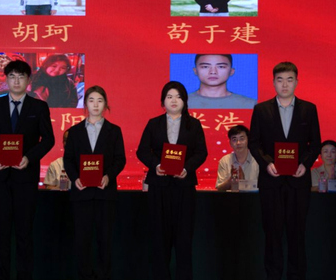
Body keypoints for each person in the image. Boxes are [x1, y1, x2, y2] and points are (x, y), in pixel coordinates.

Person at [0, 60, 56, 280]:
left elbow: (48, 139)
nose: (16, 81)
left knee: (24, 234)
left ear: (28, 80)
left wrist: (29, 158)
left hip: (26, 178)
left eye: (21, 76)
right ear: (6, 79)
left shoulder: (38, 107)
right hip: (0, 178)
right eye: (12, 76)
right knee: (0, 233)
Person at [249, 62, 322, 280]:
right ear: (273, 82)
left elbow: (315, 144)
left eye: (289, 80)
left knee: (297, 234)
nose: (284, 85)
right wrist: (267, 163)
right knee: (272, 234)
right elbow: (254, 143)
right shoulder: (261, 110)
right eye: (280, 80)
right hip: (271, 182)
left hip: (298, 182)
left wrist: (305, 164)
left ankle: (296, 276)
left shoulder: (309, 109)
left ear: (296, 82)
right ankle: (273, 276)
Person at [137, 81, 208, 280]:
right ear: (163, 102)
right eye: (169, 97)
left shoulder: (194, 125)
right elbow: (142, 151)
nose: (174, 100)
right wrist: (156, 165)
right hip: (159, 187)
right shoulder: (154, 124)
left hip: (184, 188)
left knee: (184, 240)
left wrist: (187, 168)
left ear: (184, 100)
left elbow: (201, 152)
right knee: (159, 241)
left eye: (178, 96)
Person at [64, 86, 127, 280]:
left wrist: (108, 176)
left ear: (105, 104)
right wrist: (75, 178)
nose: (95, 105)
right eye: (91, 100)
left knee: (104, 241)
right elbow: (68, 160)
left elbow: (120, 159)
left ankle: (103, 276)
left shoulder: (114, 131)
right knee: (82, 241)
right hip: (81, 194)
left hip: (104, 194)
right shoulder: (74, 131)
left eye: (100, 100)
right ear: (85, 104)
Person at [187, 54, 255, 109]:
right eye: (205, 67)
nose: (213, 72)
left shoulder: (250, 104)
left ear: (231, 71)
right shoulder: (184, 102)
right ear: (195, 71)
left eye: (221, 67)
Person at [216, 125, 259, 191]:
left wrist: (243, 183)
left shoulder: (257, 159)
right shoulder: (225, 161)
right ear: (230, 143)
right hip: (231, 197)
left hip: (254, 196)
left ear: (248, 140)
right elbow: (219, 189)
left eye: (242, 139)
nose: (238, 143)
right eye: (234, 140)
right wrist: (230, 181)